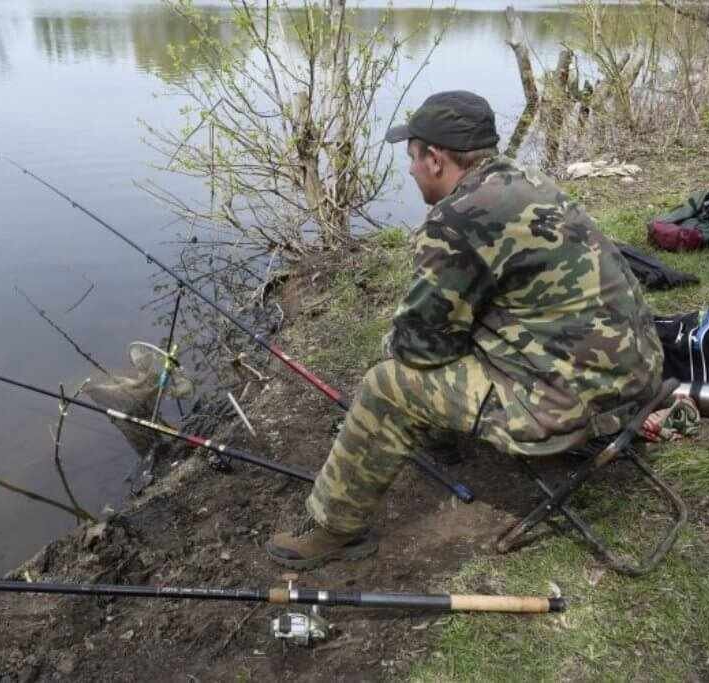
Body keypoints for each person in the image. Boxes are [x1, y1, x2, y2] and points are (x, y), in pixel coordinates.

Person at [266, 91, 664, 569]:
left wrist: (400, 344)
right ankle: (441, 433)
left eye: (412, 157)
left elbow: (417, 345)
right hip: (640, 373)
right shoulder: (524, 179)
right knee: (455, 336)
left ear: (436, 159)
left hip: (574, 406)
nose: (411, 170)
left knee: (386, 383)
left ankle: (333, 527)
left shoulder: (457, 220)